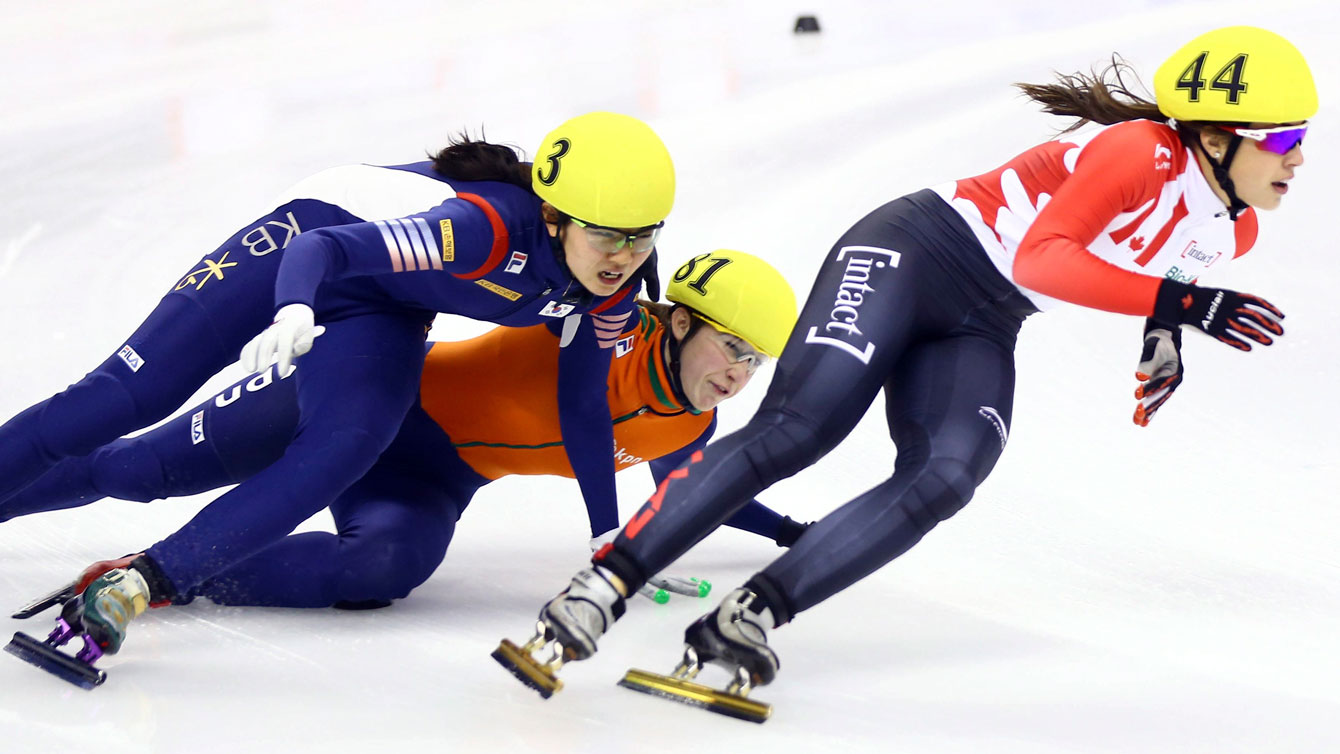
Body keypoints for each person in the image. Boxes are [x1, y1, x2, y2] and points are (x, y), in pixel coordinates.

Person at [495, 26, 1314, 718]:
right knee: (799, 429)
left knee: (949, 476)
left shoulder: (1230, 233)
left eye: (1302, 138)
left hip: (986, 318)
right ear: (1212, 136)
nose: (1296, 157)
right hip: (914, 251)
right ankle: (600, 589)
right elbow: (1045, 254)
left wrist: (1164, 330)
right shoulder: (1139, 151)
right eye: (1279, 138)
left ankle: (749, 616)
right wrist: (1184, 302)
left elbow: (1135, 269)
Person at [3, 112, 678, 659]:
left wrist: (605, 535)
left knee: (346, 446)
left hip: (384, 303)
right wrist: (295, 306)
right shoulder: (481, 235)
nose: (624, 257)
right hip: (310, 240)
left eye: (642, 238)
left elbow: (585, 404)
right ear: (555, 218)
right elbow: (324, 252)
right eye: (608, 237)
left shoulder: (609, 294)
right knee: (125, 401)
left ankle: (142, 581)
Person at [3, 251, 805, 614]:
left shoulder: (693, 415)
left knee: (384, 571)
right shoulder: (603, 331)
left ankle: (166, 576)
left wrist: (792, 533)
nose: (740, 372)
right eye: (732, 347)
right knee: (141, 469)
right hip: (364, 393)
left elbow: (700, 482)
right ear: (675, 321)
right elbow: (586, 417)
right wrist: (609, 538)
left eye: (757, 362)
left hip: (428, 479)